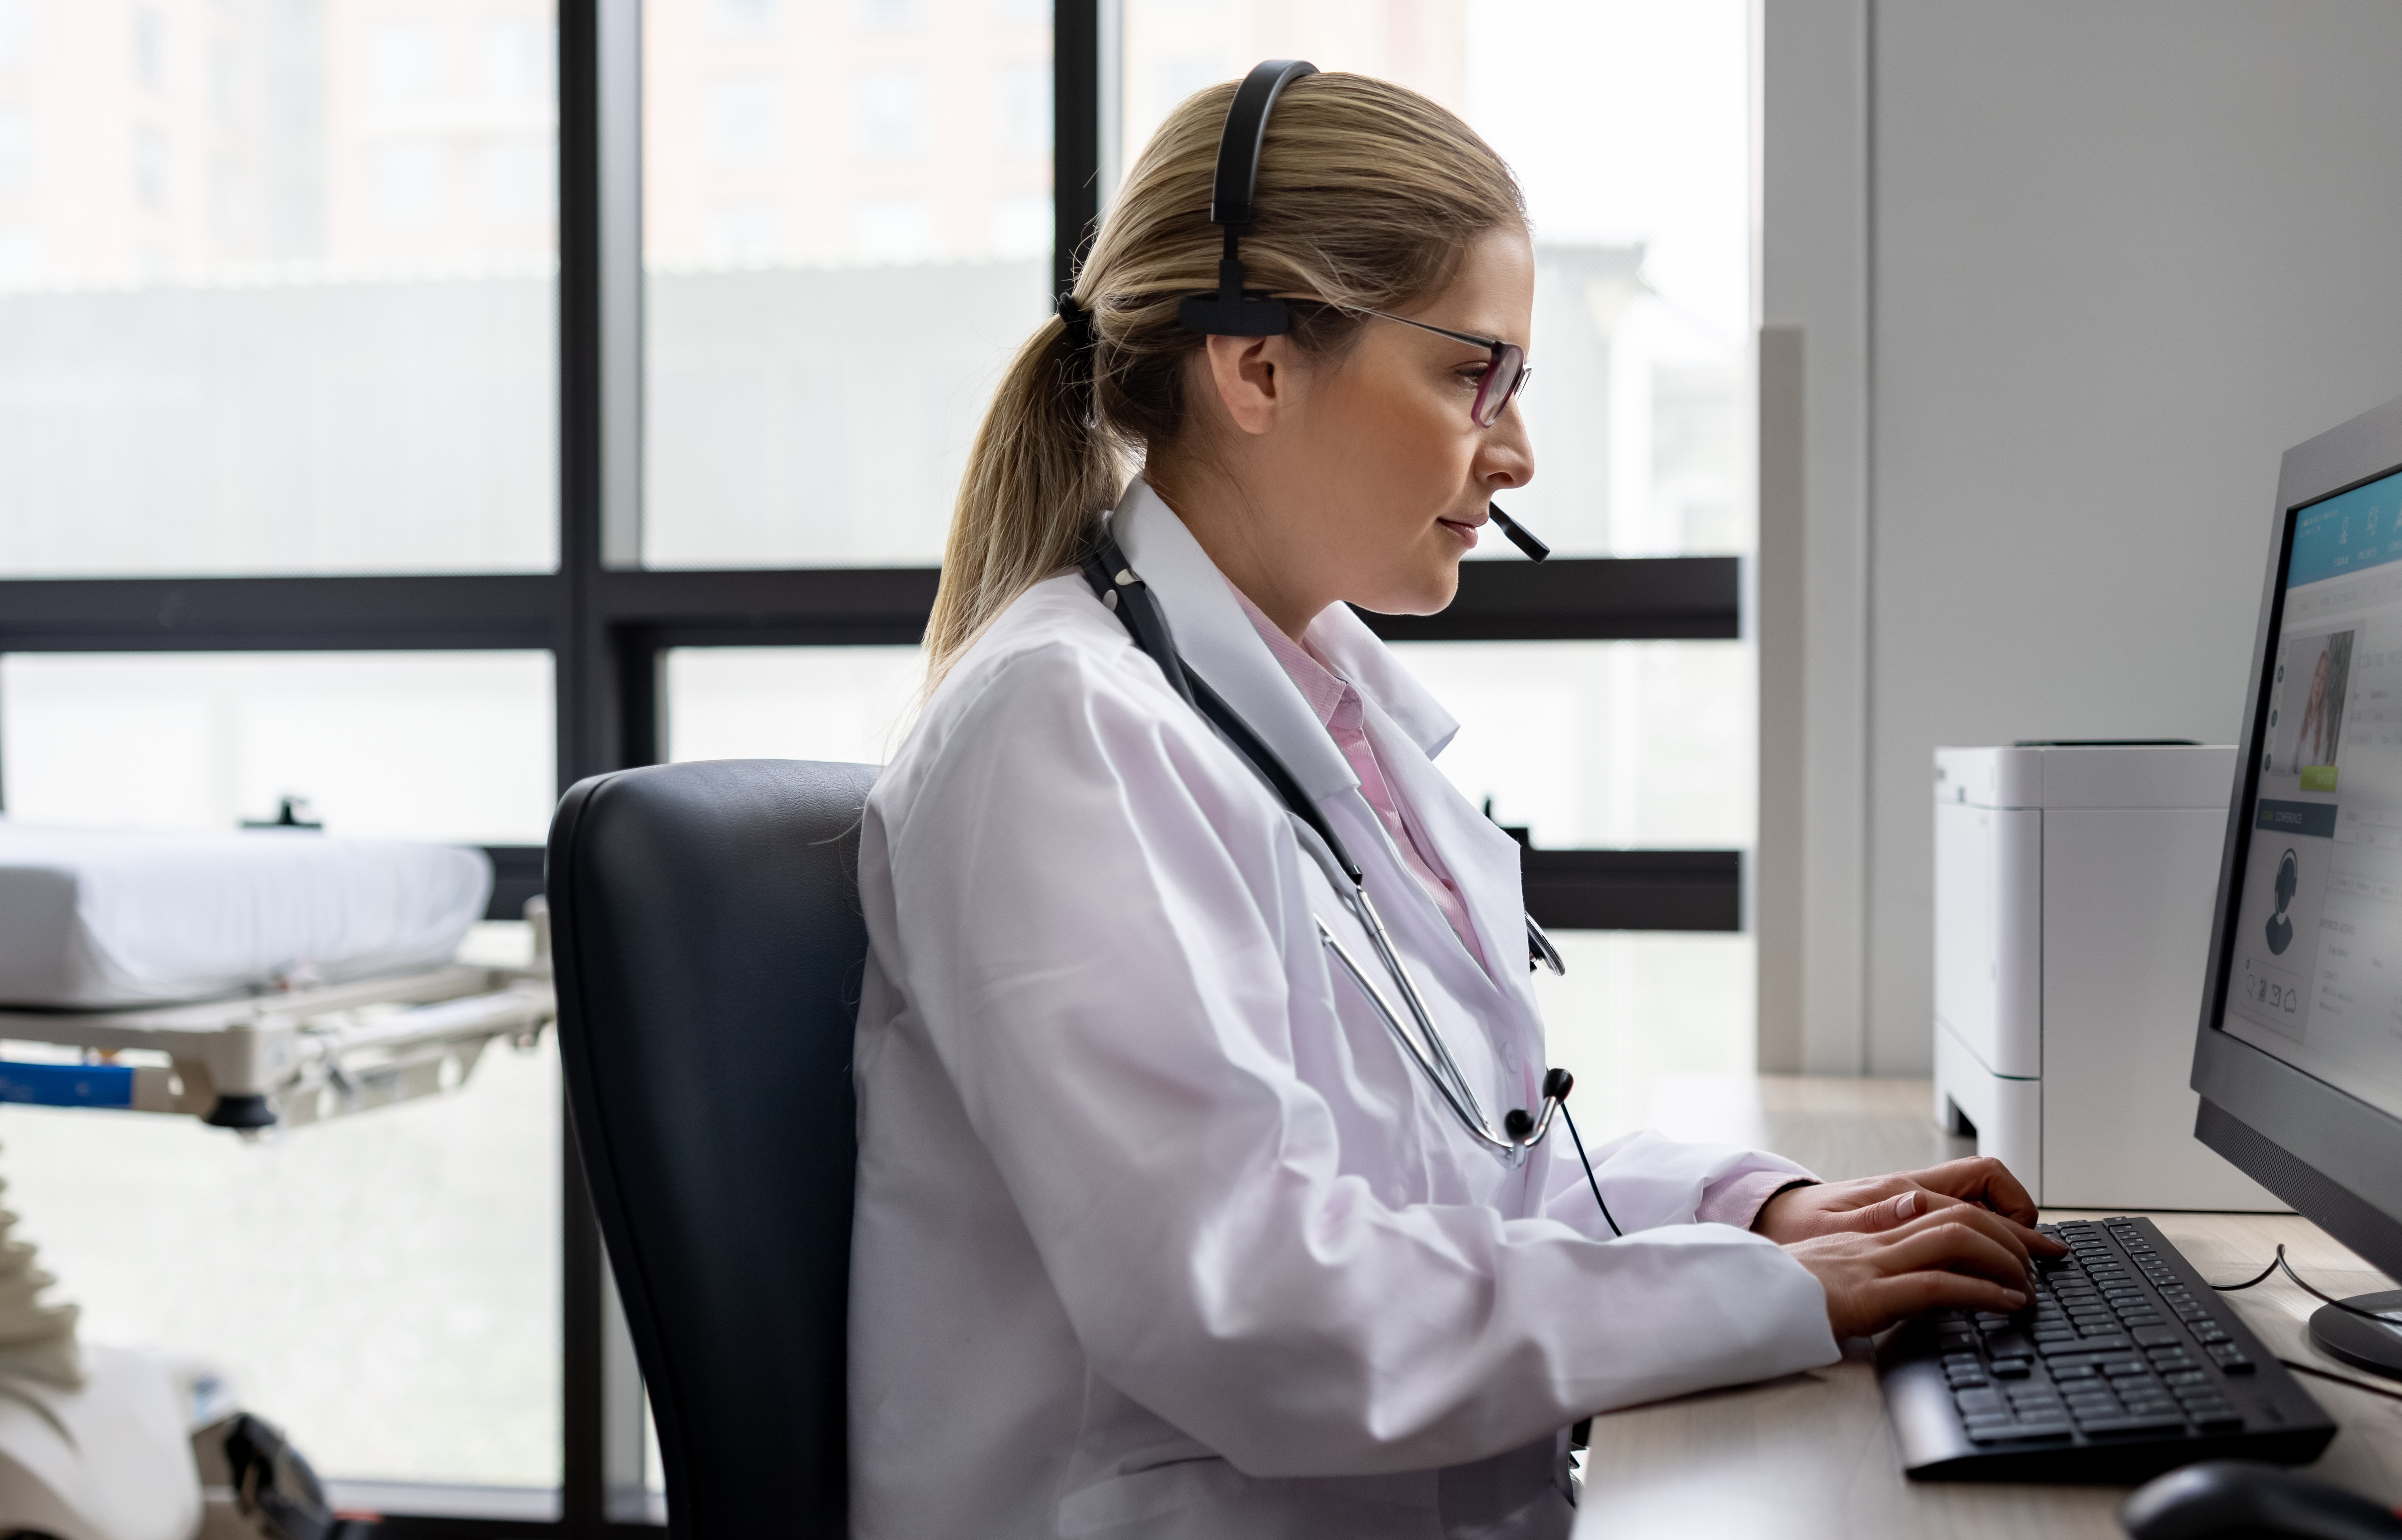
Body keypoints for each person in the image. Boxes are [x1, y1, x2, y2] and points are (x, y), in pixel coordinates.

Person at [848, 69, 2059, 1539]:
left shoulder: (1321, 718)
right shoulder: (1062, 731)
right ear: (1258, 369)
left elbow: (1472, 1170)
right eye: (1470, 372)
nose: (1517, 449)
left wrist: (1755, 1212)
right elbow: (1255, 1306)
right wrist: (1764, 1295)